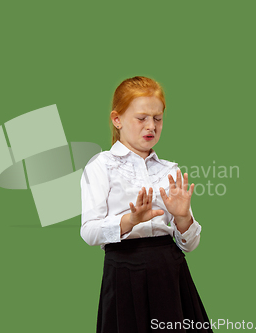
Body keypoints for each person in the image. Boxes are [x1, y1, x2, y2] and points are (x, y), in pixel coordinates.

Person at [81, 76, 212, 333]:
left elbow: (190, 245)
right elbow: (88, 232)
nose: (151, 126)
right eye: (141, 118)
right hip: (124, 273)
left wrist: (183, 217)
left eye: (158, 118)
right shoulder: (100, 166)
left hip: (170, 272)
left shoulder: (170, 170)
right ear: (117, 119)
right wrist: (130, 220)